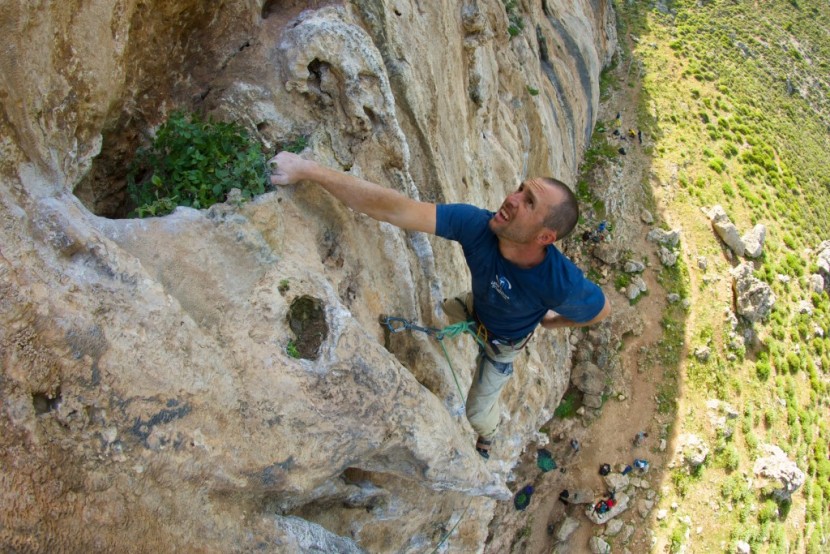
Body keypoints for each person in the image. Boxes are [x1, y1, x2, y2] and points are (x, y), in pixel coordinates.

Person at [268, 151, 610, 459]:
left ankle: (489, 434)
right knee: (446, 309)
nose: (512, 198)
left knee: (476, 413)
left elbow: (602, 310)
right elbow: (395, 209)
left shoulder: (559, 281)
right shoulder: (477, 226)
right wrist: (309, 170)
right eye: (520, 189)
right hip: (478, 308)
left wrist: (550, 321)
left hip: (502, 346)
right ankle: (466, 321)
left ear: (545, 237)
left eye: (529, 202)